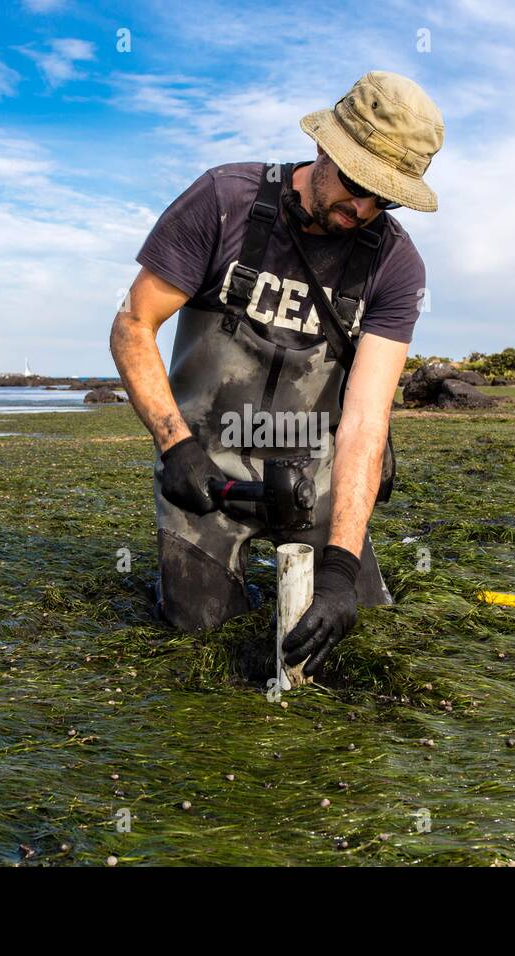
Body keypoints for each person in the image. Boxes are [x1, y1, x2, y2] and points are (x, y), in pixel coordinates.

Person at [110, 71, 443, 679]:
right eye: (356, 184)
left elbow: (367, 420)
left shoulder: (395, 263)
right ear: (325, 148)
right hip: (209, 476)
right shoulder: (222, 201)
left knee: (353, 637)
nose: (362, 209)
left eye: (384, 198)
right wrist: (175, 446)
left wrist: (340, 571)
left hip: (315, 479)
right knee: (199, 639)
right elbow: (133, 324)